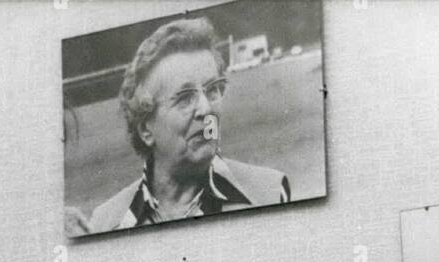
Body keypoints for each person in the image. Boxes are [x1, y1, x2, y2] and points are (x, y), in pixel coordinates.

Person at [86, 18, 290, 234]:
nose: (206, 109)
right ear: (146, 130)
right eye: (184, 98)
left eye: (213, 90)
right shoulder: (105, 223)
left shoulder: (269, 192)